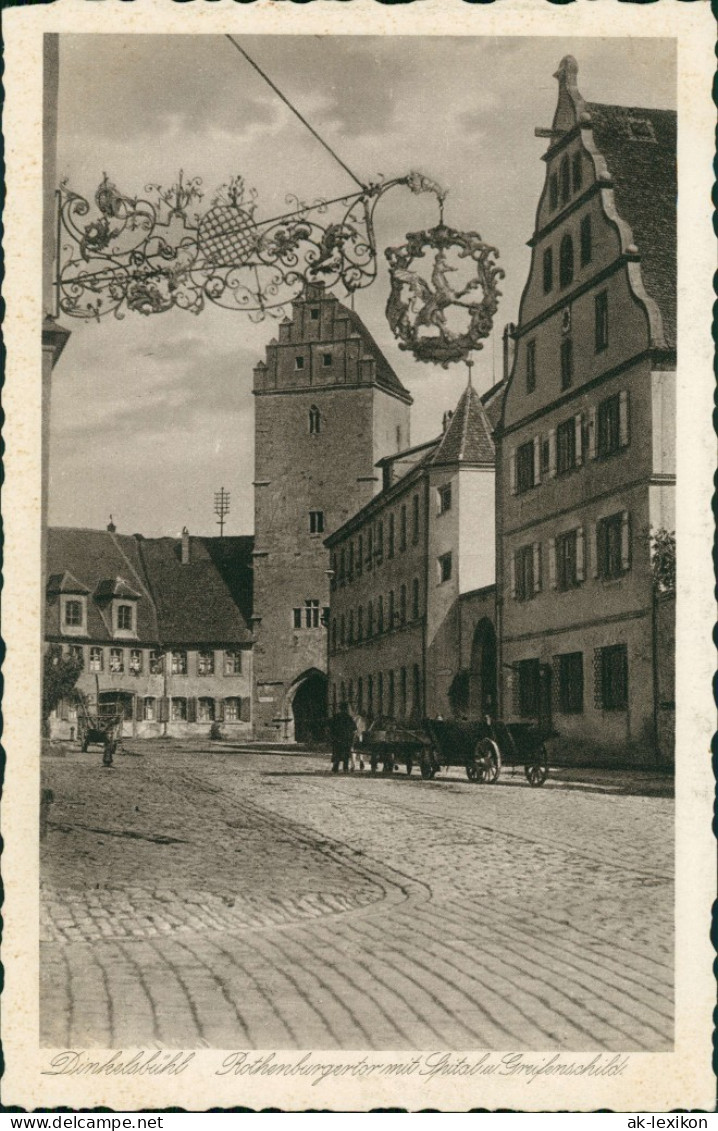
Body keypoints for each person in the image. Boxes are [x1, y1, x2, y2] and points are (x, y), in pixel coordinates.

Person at [331, 701, 356, 773]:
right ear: (346, 709)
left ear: (340, 708)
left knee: (337, 753)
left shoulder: (336, 716)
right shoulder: (349, 718)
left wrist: (332, 737)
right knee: (346, 754)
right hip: (346, 739)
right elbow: (354, 729)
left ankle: (335, 767)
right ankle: (345, 768)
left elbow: (331, 728)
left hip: (337, 738)